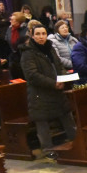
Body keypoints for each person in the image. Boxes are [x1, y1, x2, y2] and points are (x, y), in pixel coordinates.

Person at [20, 25, 77, 159]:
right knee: (42, 120)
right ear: (32, 36)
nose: (41, 37)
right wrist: (53, 83)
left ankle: (75, 141)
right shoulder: (28, 53)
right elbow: (32, 75)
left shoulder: (50, 49)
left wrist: (64, 77)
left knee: (66, 114)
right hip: (40, 92)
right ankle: (47, 148)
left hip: (56, 90)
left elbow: (59, 66)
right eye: (38, 34)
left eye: (43, 33)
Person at [5, 12, 28, 79]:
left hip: (23, 55)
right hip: (13, 57)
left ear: (19, 21)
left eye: (12, 20)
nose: (10, 21)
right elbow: (7, 40)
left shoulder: (25, 29)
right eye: (10, 19)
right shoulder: (9, 29)